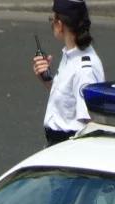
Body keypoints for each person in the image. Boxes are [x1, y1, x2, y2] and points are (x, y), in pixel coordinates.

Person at [32, 0, 104, 147]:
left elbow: (91, 123)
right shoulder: (71, 55)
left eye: (52, 20)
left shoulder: (84, 69)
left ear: (59, 25)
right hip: (56, 144)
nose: (51, 24)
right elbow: (68, 100)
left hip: (67, 147)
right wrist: (46, 80)